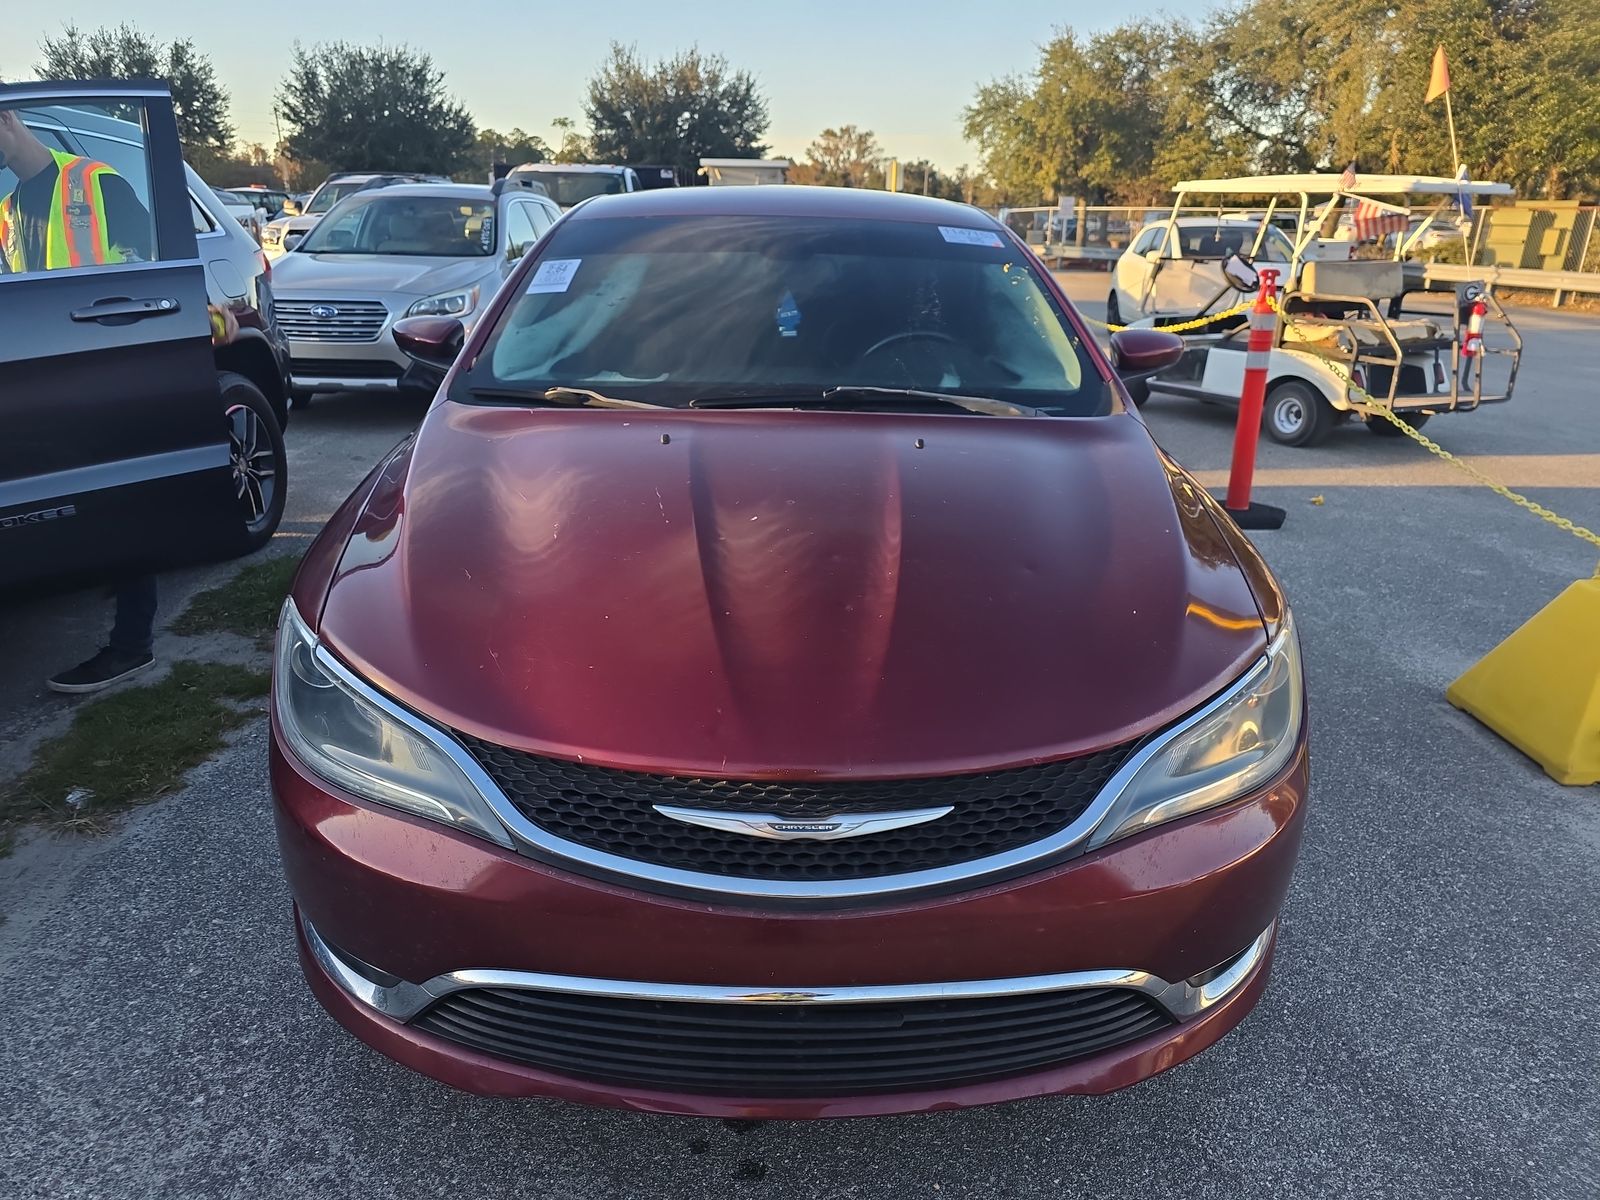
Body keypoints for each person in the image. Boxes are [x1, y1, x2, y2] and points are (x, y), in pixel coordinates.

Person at [0, 109, 239, 692]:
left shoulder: (94, 181)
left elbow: (155, 268)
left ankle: (131, 644)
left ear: (5, 122)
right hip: (47, 374)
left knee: (121, 502)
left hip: (111, 368)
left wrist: (204, 312)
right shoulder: (7, 212)